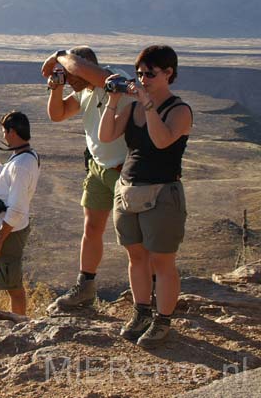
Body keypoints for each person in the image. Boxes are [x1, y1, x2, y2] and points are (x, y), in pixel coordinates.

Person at [99, 45, 192, 348]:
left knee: (163, 261)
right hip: (128, 190)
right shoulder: (133, 108)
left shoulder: (180, 111)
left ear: (169, 73)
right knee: (135, 256)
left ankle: (162, 320)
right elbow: (106, 135)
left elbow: (162, 141)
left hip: (162, 192)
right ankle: (141, 312)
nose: (142, 79)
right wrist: (114, 100)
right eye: (139, 74)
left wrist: (148, 104)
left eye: (149, 74)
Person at [41, 46, 134, 310]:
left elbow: (80, 69)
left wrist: (58, 55)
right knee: (91, 229)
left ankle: (146, 290)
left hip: (123, 170)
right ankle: (85, 286)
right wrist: (56, 87)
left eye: (70, 73)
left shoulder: (113, 79)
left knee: (131, 235)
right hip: (97, 169)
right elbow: (56, 114)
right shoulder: (85, 91)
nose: (70, 78)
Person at [0, 111, 40, 315]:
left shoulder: (22, 165)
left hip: (10, 232)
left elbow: (15, 209)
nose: (3, 136)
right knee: (10, 282)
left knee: (13, 285)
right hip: (7, 229)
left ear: (12, 132)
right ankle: (18, 322)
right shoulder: (21, 158)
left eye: (4, 132)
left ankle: (19, 326)